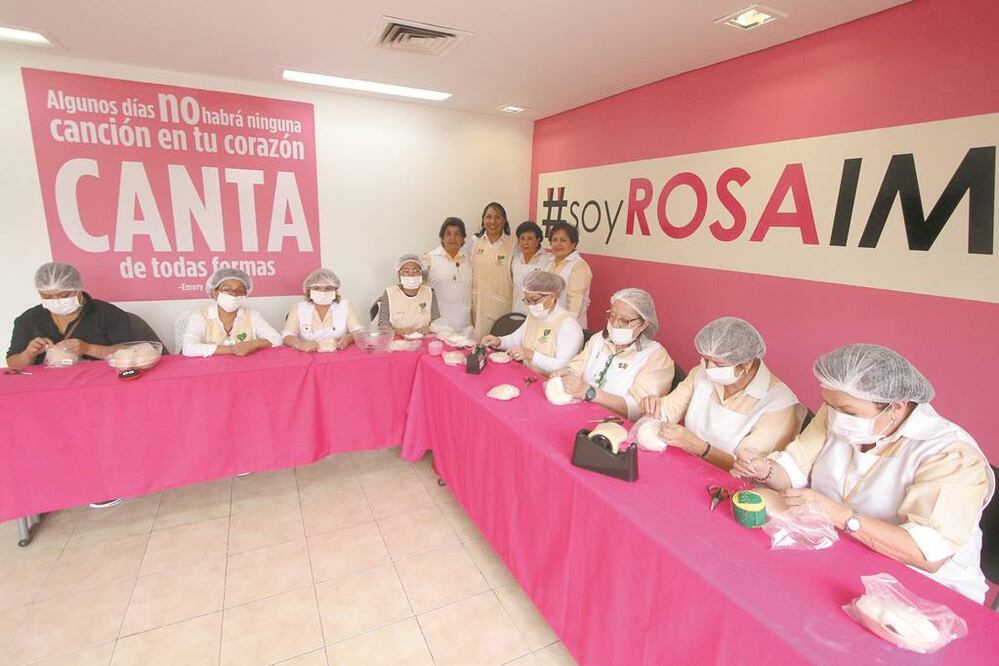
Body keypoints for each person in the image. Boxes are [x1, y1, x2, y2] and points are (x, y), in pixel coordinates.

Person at [731, 344, 994, 603]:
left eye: (848, 411)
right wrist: (764, 470)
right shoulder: (837, 412)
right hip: (840, 551)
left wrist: (839, 515)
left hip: (925, 588)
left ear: (896, 407)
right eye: (828, 404)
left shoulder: (950, 454)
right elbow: (793, 468)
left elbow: (927, 553)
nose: (835, 416)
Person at [641, 317, 802, 471]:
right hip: (687, 465)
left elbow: (749, 469)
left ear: (747, 363)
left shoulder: (778, 402)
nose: (709, 369)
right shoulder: (702, 373)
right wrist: (655, 408)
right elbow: (667, 411)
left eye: (719, 364)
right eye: (705, 359)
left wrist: (699, 447)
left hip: (731, 483)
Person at [551, 289, 674, 419]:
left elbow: (639, 408)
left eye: (624, 320)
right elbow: (577, 366)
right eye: (612, 316)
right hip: (578, 410)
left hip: (616, 424)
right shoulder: (599, 339)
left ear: (643, 324)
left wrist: (589, 392)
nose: (615, 324)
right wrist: (568, 374)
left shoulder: (656, 357)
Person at [7, 262, 135, 368]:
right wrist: (29, 353)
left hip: (98, 381)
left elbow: (129, 352)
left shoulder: (107, 313)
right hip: (47, 385)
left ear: (78, 289)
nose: (56, 301)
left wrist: (88, 348)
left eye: (64, 295)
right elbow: (12, 364)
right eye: (47, 297)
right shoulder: (28, 319)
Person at [481, 270, 583, 375]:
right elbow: (516, 339)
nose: (531, 305)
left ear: (552, 297)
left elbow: (561, 365)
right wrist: (499, 341)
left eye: (534, 300)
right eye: (527, 300)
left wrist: (531, 355)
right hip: (529, 376)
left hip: (555, 382)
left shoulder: (568, 325)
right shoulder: (534, 317)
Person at [181, 268, 282, 357]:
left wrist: (252, 344)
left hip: (244, 368)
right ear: (215, 292)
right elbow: (188, 348)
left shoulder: (252, 315)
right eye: (227, 289)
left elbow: (276, 338)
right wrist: (233, 349)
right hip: (209, 369)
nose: (233, 294)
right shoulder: (200, 316)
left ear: (245, 294)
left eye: (239, 290)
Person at [282, 269, 363, 351]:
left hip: (339, 354)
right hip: (308, 355)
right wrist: (300, 344)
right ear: (309, 290)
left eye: (328, 288)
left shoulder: (345, 306)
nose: (323, 292)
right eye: (316, 288)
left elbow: (357, 331)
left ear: (335, 290)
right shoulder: (299, 308)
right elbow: (287, 336)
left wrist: (347, 339)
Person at [470, 202, 515, 340]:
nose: (493, 221)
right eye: (488, 217)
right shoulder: (475, 243)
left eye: (498, 217)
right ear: (483, 220)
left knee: (499, 345)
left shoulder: (513, 244)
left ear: (504, 220)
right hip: (478, 305)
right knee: (478, 344)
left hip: (501, 309)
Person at [424, 217, 472, 334]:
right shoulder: (430, 258)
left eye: (457, 234)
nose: (453, 238)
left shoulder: (470, 259)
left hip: (465, 325)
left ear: (463, 238)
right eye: (448, 234)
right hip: (438, 325)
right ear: (442, 237)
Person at [375, 254, 442, 335]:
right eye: (406, 271)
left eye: (416, 271)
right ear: (399, 274)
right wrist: (398, 331)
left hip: (424, 337)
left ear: (421, 273)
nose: (411, 275)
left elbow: (436, 320)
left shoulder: (429, 292)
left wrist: (430, 328)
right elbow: (383, 324)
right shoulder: (390, 293)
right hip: (397, 339)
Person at [547, 221, 592, 328]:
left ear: (573, 243)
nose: (558, 244)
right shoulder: (549, 263)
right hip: (549, 322)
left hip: (568, 326)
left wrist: (568, 326)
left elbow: (575, 302)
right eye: (554, 240)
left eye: (563, 240)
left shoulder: (579, 266)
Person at [510, 221, 552, 316]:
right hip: (517, 311)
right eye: (522, 238)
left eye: (530, 238)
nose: (526, 243)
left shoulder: (547, 260)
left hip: (538, 314)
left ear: (538, 240)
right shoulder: (516, 260)